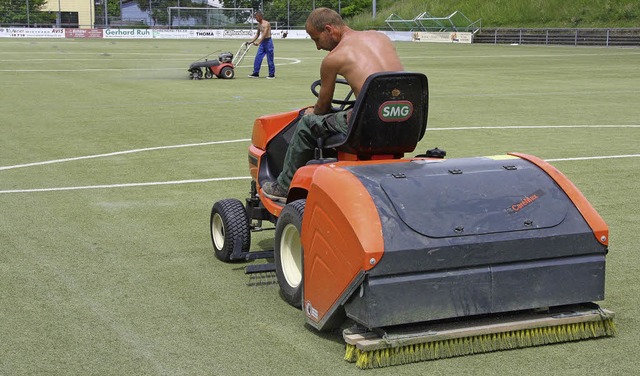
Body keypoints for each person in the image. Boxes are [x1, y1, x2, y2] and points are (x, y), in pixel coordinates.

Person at [262, 7, 404, 201]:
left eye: (316, 39)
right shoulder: (381, 38)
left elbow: (323, 108)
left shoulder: (333, 59)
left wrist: (313, 111)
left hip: (368, 126)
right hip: (403, 119)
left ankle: (284, 186)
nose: (318, 47)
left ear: (329, 29)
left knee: (307, 123)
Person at [248, 12, 275, 79]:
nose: (255, 18)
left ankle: (271, 74)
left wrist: (258, 42)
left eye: (256, 17)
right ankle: (255, 73)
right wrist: (251, 41)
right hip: (262, 43)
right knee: (258, 58)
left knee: (270, 59)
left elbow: (265, 34)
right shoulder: (259, 24)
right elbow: (257, 34)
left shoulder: (266, 23)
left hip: (268, 42)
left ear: (260, 17)